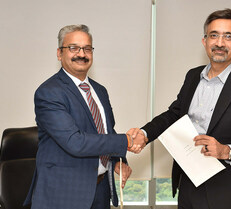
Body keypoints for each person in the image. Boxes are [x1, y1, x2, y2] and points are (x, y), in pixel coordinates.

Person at [130, 8, 231, 209]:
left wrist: (226, 151)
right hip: (189, 184)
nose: (220, 43)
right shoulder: (192, 76)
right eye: (214, 35)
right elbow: (174, 115)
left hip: (228, 193)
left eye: (228, 37)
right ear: (204, 41)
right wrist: (145, 134)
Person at [24, 24, 146, 209]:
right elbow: (75, 142)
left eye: (87, 49)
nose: (81, 54)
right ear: (59, 53)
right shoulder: (49, 92)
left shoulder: (100, 91)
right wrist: (127, 141)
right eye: (73, 48)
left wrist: (116, 161)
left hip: (100, 190)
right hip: (63, 195)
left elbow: (105, 131)